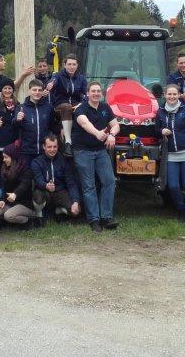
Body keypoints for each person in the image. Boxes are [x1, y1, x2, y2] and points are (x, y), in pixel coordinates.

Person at [72, 81, 120, 232]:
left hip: (100, 151)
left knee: (109, 181)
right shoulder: (81, 109)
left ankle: (106, 217)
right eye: (93, 91)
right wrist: (97, 133)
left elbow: (116, 125)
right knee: (89, 186)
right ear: (87, 93)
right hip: (83, 151)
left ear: (102, 93)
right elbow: (85, 124)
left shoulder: (105, 107)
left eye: (99, 91)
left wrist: (112, 134)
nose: (96, 93)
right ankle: (94, 220)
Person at [155, 84, 185, 222]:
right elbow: (156, 130)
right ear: (165, 95)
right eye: (169, 94)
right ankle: (180, 208)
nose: (172, 97)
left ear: (179, 95)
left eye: (174, 94)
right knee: (172, 185)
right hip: (171, 153)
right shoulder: (160, 111)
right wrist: (161, 131)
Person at [31, 134, 81, 225]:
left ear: (58, 146)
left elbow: (71, 183)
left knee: (76, 211)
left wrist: (75, 201)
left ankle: (59, 211)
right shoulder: (36, 162)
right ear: (44, 147)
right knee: (37, 196)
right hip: (44, 191)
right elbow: (38, 180)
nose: (52, 149)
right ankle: (39, 215)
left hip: (59, 191)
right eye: (49, 147)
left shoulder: (63, 161)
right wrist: (46, 185)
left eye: (55, 147)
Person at [45, 53, 87, 156]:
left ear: (77, 66)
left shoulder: (81, 78)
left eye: (74, 64)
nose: (71, 67)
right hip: (60, 105)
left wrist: (82, 103)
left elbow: (86, 93)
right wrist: (50, 84)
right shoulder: (58, 76)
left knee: (84, 107)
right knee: (66, 107)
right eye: (69, 64)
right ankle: (68, 142)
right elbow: (53, 81)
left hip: (75, 104)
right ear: (64, 65)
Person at [0, 141, 35, 229]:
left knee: (8, 215)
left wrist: (15, 194)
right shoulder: (5, 168)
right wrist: (2, 200)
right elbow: (4, 187)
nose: (3, 160)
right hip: (9, 202)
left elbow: (24, 185)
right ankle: (7, 222)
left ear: (13, 157)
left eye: (6, 157)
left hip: (24, 203)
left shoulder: (26, 169)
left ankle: (28, 221)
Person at [13, 79, 58, 162]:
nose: (37, 92)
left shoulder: (48, 107)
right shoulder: (21, 107)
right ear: (29, 91)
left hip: (44, 151)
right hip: (27, 151)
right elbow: (15, 126)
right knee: (28, 174)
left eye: (40, 90)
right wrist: (17, 120)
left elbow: (53, 126)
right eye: (34, 90)